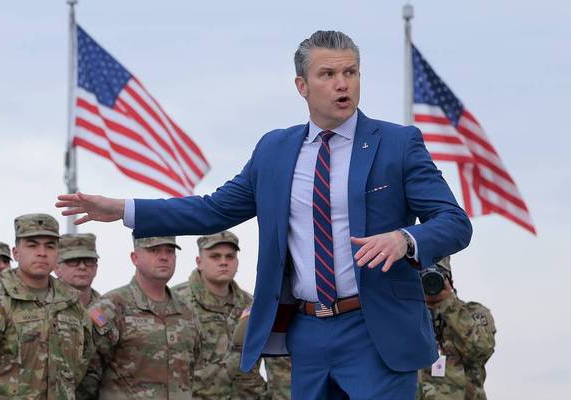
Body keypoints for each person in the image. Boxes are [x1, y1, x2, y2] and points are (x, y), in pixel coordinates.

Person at [57, 30, 472, 399]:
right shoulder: (275, 150)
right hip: (308, 332)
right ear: (302, 85)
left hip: (377, 330)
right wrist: (125, 209)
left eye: (351, 72)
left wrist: (405, 239)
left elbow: (454, 222)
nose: (342, 84)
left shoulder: (397, 144)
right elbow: (213, 210)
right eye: (328, 74)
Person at [0, 214, 93, 399]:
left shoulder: (73, 306)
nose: (42, 252)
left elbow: (81, 368)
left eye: (50, 246)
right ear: (16, 253)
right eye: (32, 245)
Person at [81, 236, 200, 399]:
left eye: (170, 251)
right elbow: (85, 375)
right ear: (134, 258)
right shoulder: (110, 308)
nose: (164, 257)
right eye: (154, 250)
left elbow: (195, 371)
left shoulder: (187, 310)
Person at [172, 230, 273, 398]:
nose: (224, 262)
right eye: (215, 256)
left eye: (230, 257)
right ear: (199, 262)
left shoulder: (251, 306)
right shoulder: (177, 302)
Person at [418, 256, 496, 400]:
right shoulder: (406, 317)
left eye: (437, 275)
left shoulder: (473, 312)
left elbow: (481, 350)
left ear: (449, 280)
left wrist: (449, 305)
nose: (430, 280)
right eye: (422, 275)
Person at [54, 233, 101, 307]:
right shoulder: (39, 304)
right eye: (73, 261)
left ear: (96, 268)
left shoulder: (108, 307)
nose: (82, 267)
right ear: (57, 268)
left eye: (88, 261)